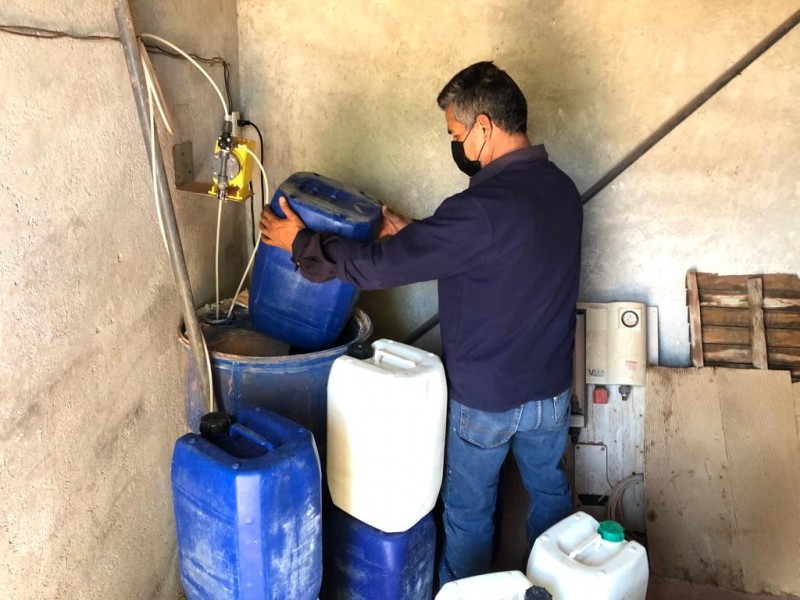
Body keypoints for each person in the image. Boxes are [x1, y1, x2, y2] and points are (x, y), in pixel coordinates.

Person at [260, 61, 583, 585]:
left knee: (469, 514)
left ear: (484, 126)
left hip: (486, 400)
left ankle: (462, 593)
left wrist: (300, 244)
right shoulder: (561, 191)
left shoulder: (478, 208)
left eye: (456, 134)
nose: (456, 145)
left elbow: (378, 266)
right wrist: (417, 233)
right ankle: (562, 586)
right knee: (549, 495)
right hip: (548, 393)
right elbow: (501, 253)